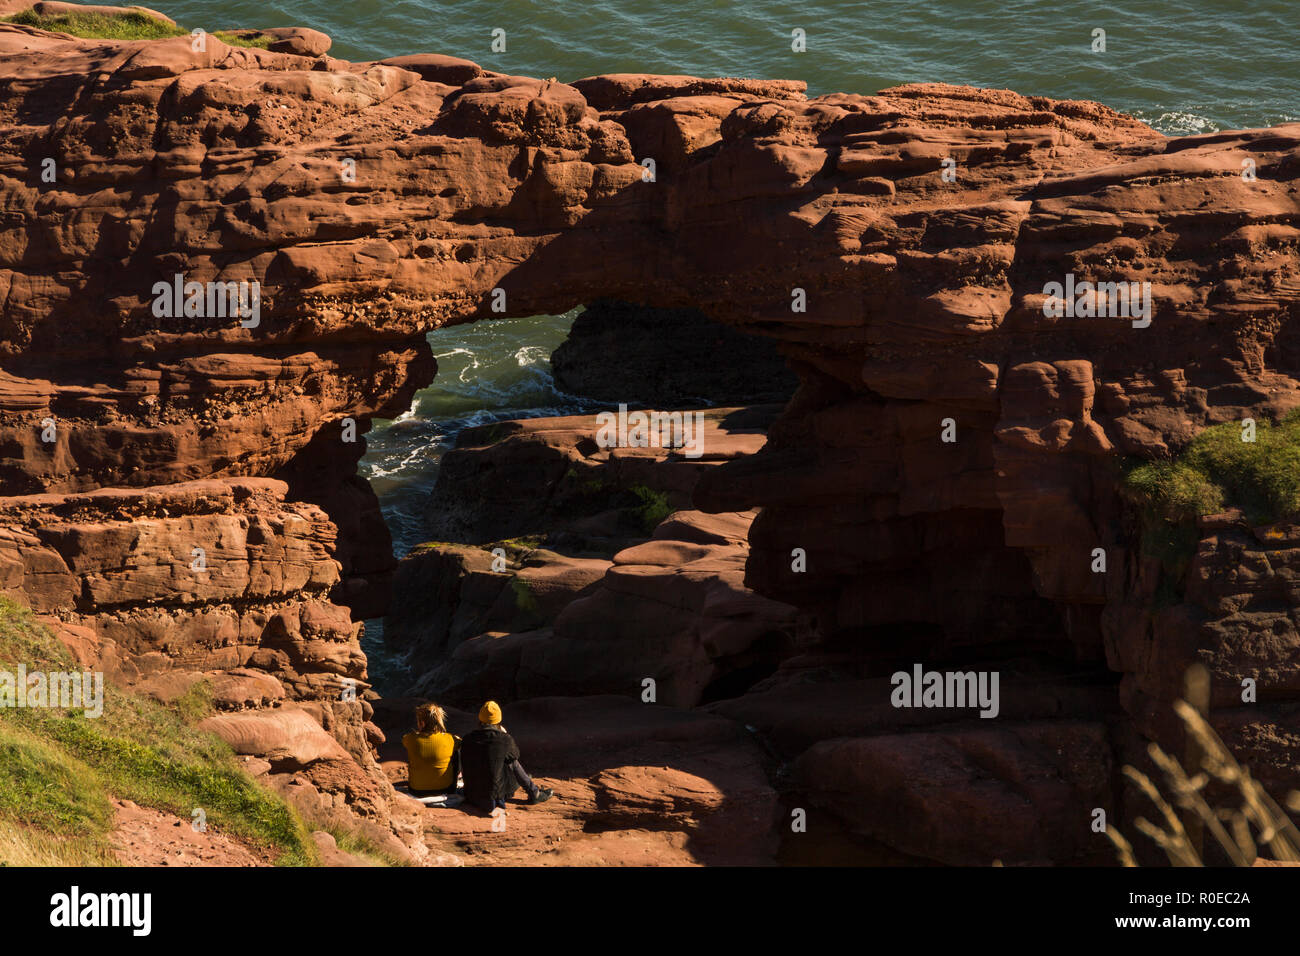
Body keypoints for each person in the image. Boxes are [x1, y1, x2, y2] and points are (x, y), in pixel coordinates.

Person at [459, 700, 552, 813]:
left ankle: (532, 789)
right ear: (498, 720)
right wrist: (505, 734)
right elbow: (516, 755)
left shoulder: (467, 739)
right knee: (511, 762)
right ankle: (534, 793)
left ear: (480, 719)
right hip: (494, 798)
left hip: (471, 796)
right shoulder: (504, 739)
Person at [401, 701, 460, 796]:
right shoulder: (450, 739)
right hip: (446, 789)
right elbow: (460, 742)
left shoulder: (409, 738)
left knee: (413, 751)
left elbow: (404, 740)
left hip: (416, 790)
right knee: (456, 751)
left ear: (422, 723)